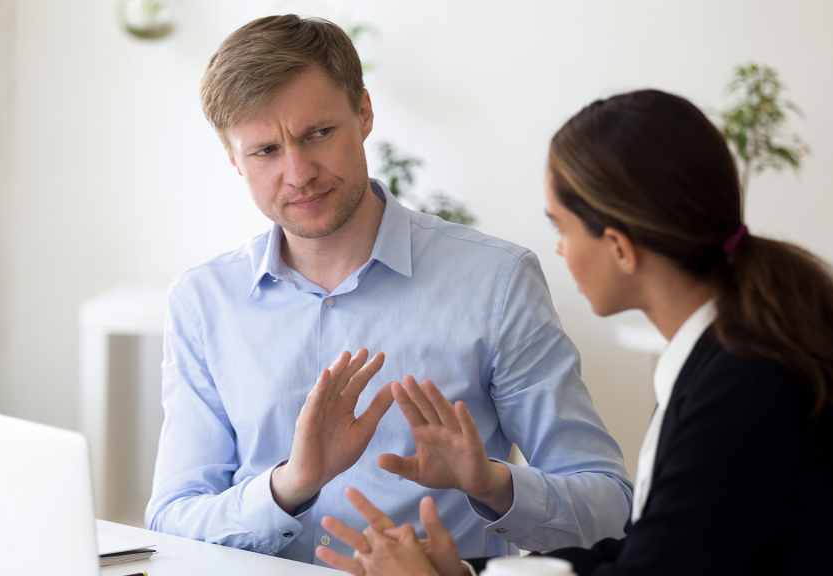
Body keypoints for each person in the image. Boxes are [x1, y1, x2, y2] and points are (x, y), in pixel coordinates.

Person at [319, 89, 833, 575]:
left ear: (621, 248)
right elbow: (650, 555)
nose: (557, 248)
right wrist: (473, 572)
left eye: (563, 227)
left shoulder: (743, 390)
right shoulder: (728, 362)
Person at [144, 14, 634, 567]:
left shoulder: (495, 280)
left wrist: (492, 483)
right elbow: (172, 519)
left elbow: (611, 508)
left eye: (319, 134)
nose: (299, 172)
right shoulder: (203, 301)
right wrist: (291, 484)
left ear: (364, 113)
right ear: (233, 159)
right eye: (265, 151)